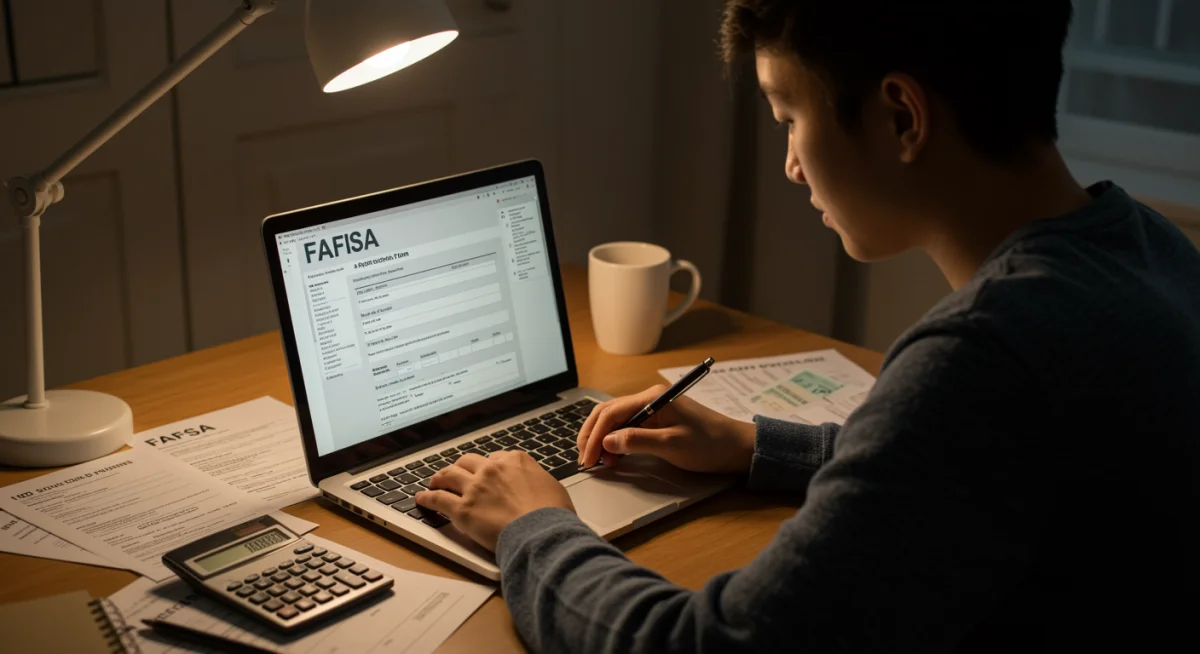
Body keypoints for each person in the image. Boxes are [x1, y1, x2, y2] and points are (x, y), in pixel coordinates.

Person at [415, 0, 1200, 650]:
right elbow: (975, 467)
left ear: (900, 116)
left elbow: (702, 645)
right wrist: (754, 448)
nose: (791, 165)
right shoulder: (1146, 248)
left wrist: (535, 526)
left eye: (789, 116)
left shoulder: (984, 353)